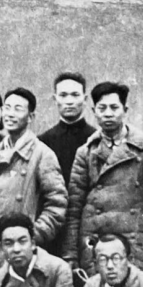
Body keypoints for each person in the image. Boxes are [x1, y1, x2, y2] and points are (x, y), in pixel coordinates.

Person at [62, 81, 143, 277]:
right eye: (102, 108)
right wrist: (70, 254)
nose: (108, 114)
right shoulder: (86, 152)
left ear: (125, 110)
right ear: (94, 111)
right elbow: (74, 208)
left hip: (134, 246)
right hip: (95, 246)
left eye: (114, 107)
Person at [0, 87, 66, 286]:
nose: (10, 114)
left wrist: (32, 236)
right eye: (7, 108)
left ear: (30, 116)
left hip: (20, 254)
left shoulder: (42, 154)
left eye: (18, 109)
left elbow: (57, 205)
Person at [38, 72, 98, 256]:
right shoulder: (42, 142)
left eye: (75, 95)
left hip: (89, 226)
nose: (69, 101)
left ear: (85, 99)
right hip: (53, 229)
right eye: (63, 95)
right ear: (55, 99)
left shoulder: (96, 140)